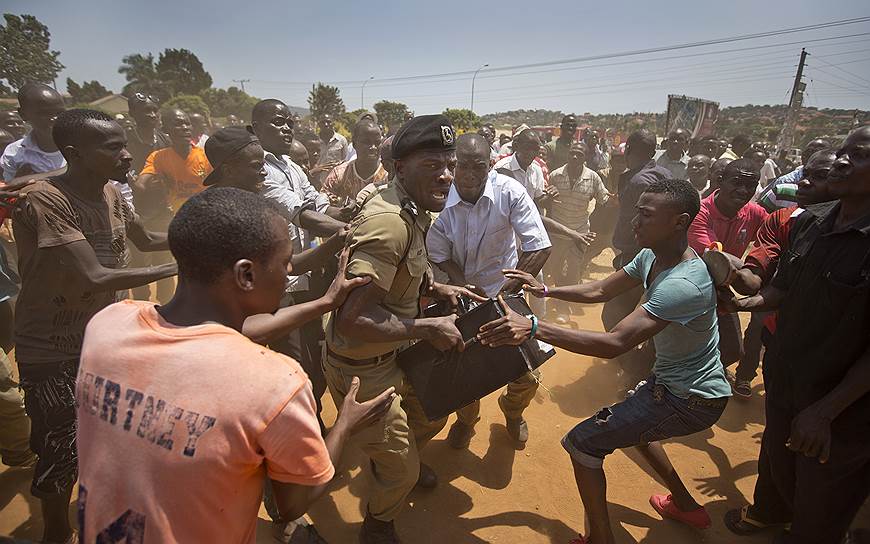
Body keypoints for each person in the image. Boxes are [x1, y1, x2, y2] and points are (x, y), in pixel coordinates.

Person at [75, 187, 395, 543]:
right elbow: (293, 504)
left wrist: (324, 303)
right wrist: (345, 425)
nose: (290, 270)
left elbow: (223, 334)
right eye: (285, 261)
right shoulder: (277, 383)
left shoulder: (108, 324)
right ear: (246, 275)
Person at [481, 178, 731, 544]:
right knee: (637, 431)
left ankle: (601, 538)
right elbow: (600, 289)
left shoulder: (683, 284)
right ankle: (685, 505)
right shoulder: (652, 256)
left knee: (583, 443)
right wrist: (545, 289)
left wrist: (534, 327)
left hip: (690, 398)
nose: (634, 222)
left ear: (680, 222)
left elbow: (615, 342)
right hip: (672, 387)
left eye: (645, 215)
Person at [11, 109, 179, 544]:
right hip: (52, 345)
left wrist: (200, 228)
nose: (126, 155)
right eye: (112, 148)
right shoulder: (46, 200)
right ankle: (55, 531)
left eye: (125, 144)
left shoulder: (110, 193)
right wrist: (187, 262)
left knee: (110, 433)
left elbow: (144, 239)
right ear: (74, 153)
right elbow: (95, 276)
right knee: (60, 443)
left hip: (103, 338)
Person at [324, 115, 484, 543]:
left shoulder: (410, 207)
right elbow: (353, 318)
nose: (447, 174)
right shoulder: (390, 222)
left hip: (390, 353)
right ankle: (379, 522)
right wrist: (428, 326)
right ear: (400, 168)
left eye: (448, 164)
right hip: (366, 365)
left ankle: (394, 459)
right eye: (433, 164)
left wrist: (435, 284)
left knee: (431, 406)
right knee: (403, 468)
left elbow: (404, 268)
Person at [718, 126, 870, 544]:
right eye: (841, 152)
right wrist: (745, 303)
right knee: (780, 464)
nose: (841, 161)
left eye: (858, 156)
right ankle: (771, 514)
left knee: (822, 501)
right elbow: (786, 287)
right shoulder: (812, 222)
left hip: (842, 406)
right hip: (786, 376)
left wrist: (826, 411)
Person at [427, 133, 551, 449]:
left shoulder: (510, 192)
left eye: (477, 166)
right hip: (463, 295)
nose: (468, 174)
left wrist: (506, 295)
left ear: (490, 165)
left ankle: (513, 411)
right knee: (463, 368)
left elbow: (538, 248)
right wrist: (461, 283)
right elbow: (439, 254)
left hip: (505, 293)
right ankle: (466, 421)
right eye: (462, 166)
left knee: (527, 371)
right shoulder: (439, 199)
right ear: (453, 166)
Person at [688, 159, 767, 396]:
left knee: (732, 349)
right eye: (737, 183)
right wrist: (754, 272)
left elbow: (775, 238)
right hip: (687, 284)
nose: (743, 191)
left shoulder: (754, 213)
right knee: (663, 344)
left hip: (721, 287)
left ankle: (696, 383)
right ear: (720, 182)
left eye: (750, 185)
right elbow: (717, 260)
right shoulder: (700, 211)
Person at [132, 108, 211, 303]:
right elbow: (141, 185)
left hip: (205, 221)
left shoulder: (205, 156)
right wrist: (133, 178)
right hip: (175, 222)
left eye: (187, 123)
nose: (185, 127)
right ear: (166, 128)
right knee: (177, 268)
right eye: (178, 124)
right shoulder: (158, 157)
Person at [605, 129, 671, 332]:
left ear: (628, 149)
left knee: (613, 315)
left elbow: (642, 222)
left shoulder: (638, 182)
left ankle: (626, 360)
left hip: (637, 255)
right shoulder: (664, 174)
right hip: (658, 253)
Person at [544, 142, 611, 322]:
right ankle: (563, 295)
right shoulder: (555, 176)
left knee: (573, 269)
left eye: (579, 155)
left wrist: (599, 225)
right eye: (572, 153)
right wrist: (549, 195)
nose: (575, 157)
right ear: (568, 155)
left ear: (585, 158)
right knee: (555, 269)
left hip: (580, 233)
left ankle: (563, 306)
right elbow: (545, 203)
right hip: (558, 233)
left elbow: (603, 200)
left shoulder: (593, 177)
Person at [1, 83, 66, 181]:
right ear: (23, 114)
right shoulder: (14, 154)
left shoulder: (83, 144)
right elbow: (11, 188)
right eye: (44, 113)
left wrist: (32, 178)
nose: (54, 118)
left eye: (60, 112)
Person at [322, 118, 389, 205]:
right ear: (354, 144)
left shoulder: (388, 174)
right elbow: (322, 204)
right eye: (366, 142)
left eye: (377, 142)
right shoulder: (339, 174)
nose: (373, 147)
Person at [756, 138, 829, 211]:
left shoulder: (836, 188)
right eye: (809, 152)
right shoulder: (784, 183)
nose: (805, 183)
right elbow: (759, 212)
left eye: (818, 152)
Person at [125, 92, 170, 174]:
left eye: (155, 110)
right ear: (132, 113)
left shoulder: (166, 141)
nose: (153, 115)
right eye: (147, 110)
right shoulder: (123, 142)